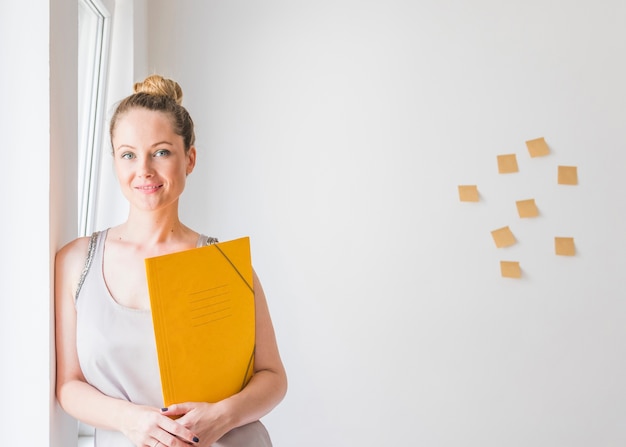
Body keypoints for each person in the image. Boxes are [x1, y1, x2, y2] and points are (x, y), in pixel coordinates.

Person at [55, 74, 287, 447]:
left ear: (189, 158)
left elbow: (273, 377)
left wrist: (221, 417)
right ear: (114, 160)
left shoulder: (224, 265)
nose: (144, 169)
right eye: (128, 154)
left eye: (161, 152)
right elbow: (68, 384)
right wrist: (132, 421)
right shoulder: (75, 261)